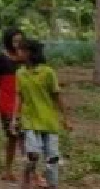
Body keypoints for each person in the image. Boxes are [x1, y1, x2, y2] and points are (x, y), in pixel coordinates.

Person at [15, 39, 70, 189]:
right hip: (30, 120)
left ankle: (53, 185)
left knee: (52, 157)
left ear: (29, 53)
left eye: (20, 50)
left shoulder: (48, 73)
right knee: (32, 154)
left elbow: (57, 96)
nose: (18, 53)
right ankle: (27, 176)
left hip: (48, 120)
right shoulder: (20, 73)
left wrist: (65, 118)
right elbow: (20, 96)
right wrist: (16, 117)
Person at [0, 28, 26, 181]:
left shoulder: (25, 57)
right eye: (15, 41)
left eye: (20, 41)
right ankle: (8, 170)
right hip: (7, 103)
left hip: (24, 102)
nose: (18, 44)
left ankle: (27, 172)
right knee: (13, 137)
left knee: (25, 137)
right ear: (8, 41)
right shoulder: (1, 57)